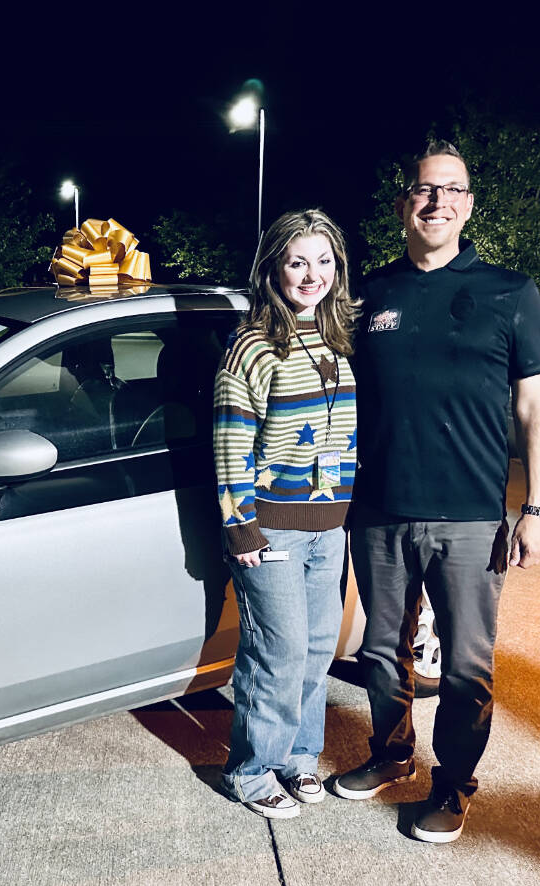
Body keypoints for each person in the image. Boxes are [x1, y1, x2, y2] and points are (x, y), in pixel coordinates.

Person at [336, 140, 540, 842]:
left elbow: (534, 410)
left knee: (465, 667)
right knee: (380, 654)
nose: (437, 202)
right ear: (404, 203)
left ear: (467, 205)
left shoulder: (509, 292)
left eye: (452, 191)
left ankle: (454, 785)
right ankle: (391, 756)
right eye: (425, 190)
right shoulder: (371, 294)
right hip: (379, 512)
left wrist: (537, 509)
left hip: (469, 517)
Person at [214, 209, 361, 818]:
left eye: (324, 261)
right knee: (277, 651)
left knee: (318, 648)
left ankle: (299, 758)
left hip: (330, 528)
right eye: (298, 261)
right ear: (273, 266)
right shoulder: (252, 344)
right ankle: (251, 771)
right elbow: (230, 439)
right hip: (271, 527)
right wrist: (240, 524)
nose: (312, 274)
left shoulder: (335, 338)